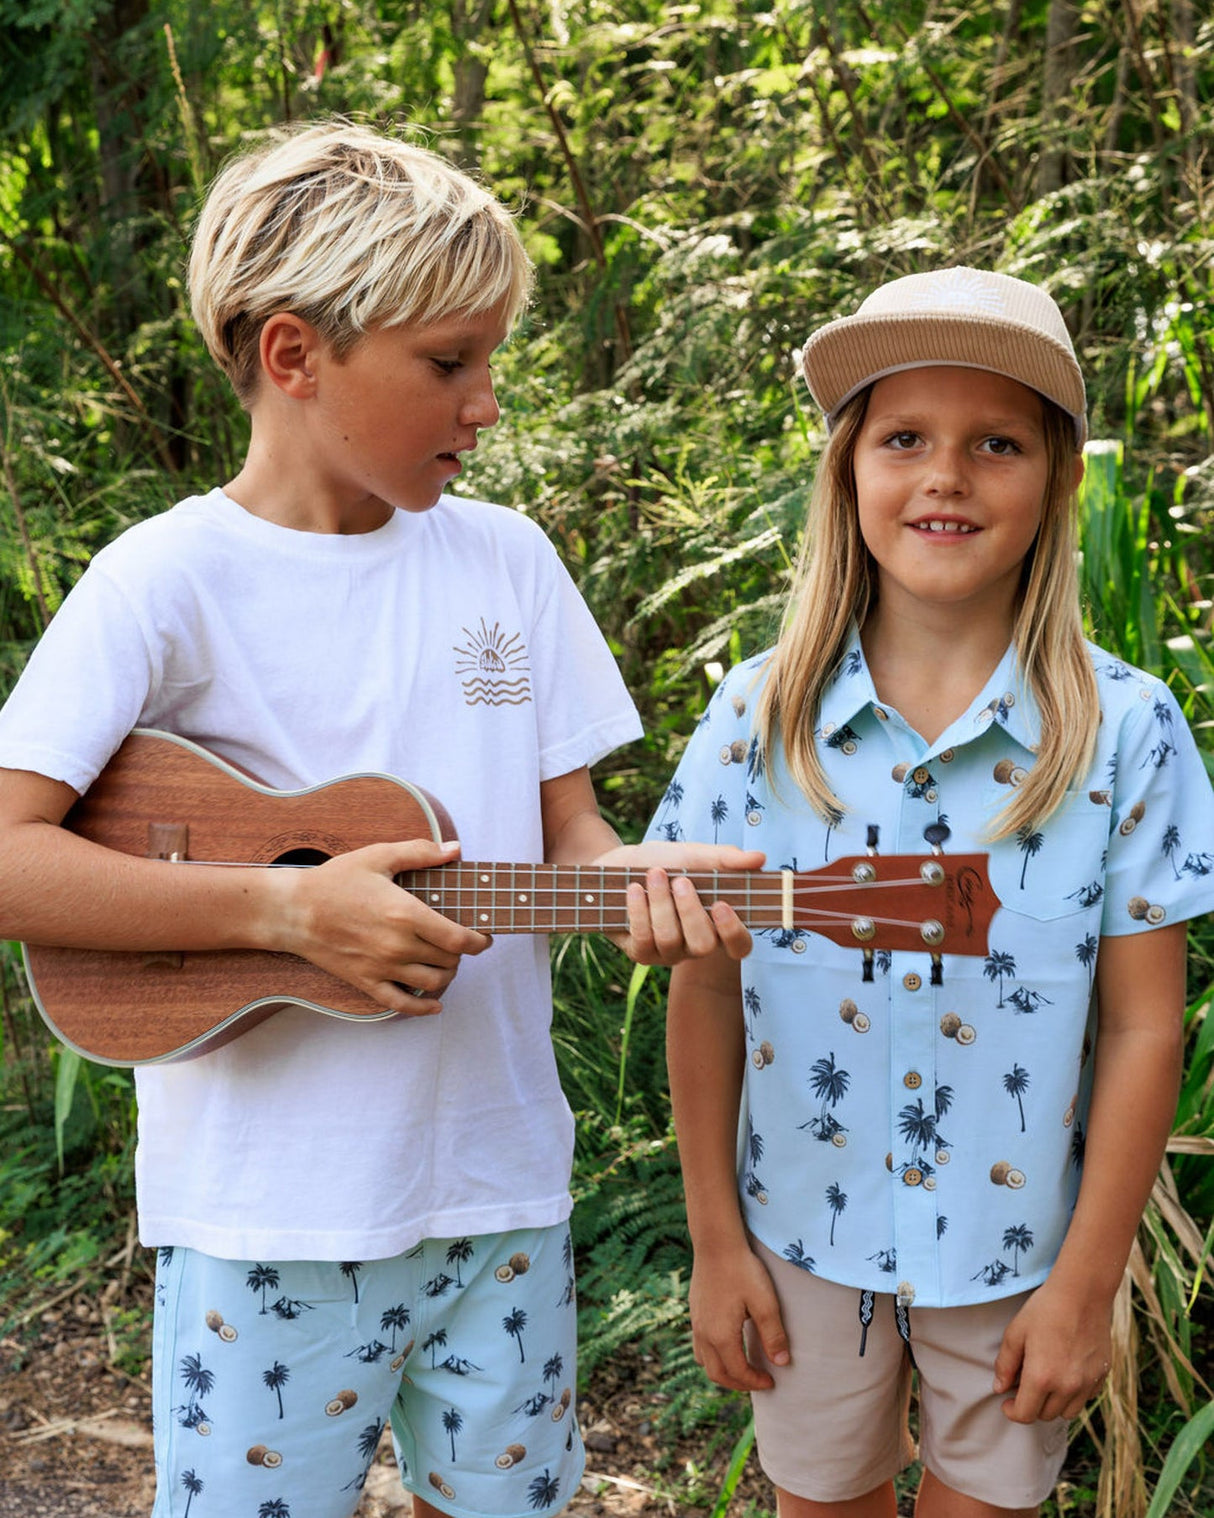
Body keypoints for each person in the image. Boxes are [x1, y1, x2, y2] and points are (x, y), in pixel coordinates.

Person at [0, 121, 760, 1518]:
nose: (485, 404)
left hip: (501, 1192)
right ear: (294, 356)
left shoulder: (507, 562)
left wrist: (641, 889)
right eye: (447, 363)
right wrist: (281, 908)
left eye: (488, 361)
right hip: (263, 1220)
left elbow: (572, 846)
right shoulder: (163, 581)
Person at [649, 267, 1214, 1518]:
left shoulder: (1125, 731)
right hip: (793, 1243)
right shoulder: (754, 719)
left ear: (1056, 480)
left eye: (994, 443)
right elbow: (705, 982)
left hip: (1017, 1261)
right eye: (903, 437)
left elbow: (1139, 1024)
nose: (944, 475)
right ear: (848, 470)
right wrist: (714, 1242)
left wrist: (1083, 1285)